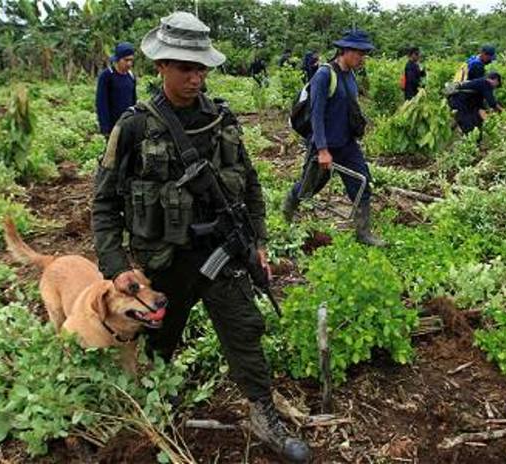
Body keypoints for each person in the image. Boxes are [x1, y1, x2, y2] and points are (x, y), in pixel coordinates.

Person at [91, 12, 311, 463]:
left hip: (222, 255)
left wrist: (260, 241)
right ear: (161, 67)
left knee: (245, 329)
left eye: (201, 68)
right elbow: (103, 204)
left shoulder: (223, 120)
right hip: (162, 263)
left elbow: (248, 184)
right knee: (158, 342)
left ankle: (261, 411)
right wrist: (116, 269)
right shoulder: (133, 126)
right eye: (185, 68)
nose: (195, 77)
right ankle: (156, 406)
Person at [281, 30, 385, 247]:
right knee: (308, 188)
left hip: (346, 145)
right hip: (324, 145)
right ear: (345, 51)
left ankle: (363, 233)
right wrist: (322, 150)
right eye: (359, 53)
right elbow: (317, 115)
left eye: (364, 54)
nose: (362, 58)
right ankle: (286, 215)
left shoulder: (351, 75)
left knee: (362, 182)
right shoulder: (324, 75)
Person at [95, 42, 137, 137]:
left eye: (131, 60)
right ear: (118, 59)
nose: (129, 63)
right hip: (112, 126)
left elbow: (133, 100)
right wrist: (105, 128)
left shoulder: (131, 76)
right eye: (126, 60)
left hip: (128, 124)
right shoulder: (107, 76)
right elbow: (101, 103)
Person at [447, 72, 503, 139]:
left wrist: (485, 115)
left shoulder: (480, 82)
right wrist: (502, 111)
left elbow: (480, 104)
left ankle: (473, 139)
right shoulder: (486, 84)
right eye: (497, 85)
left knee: (476, 121)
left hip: (463, 103)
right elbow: (492, 103)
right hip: (460, 103)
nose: (494, 88)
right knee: (468, 125)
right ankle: (469, 142)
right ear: (495, 80)